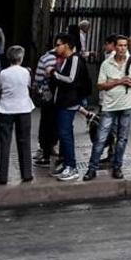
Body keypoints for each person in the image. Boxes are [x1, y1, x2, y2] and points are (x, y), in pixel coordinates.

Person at [85, 36, 131, 181]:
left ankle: (117, 167)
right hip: (109, 106)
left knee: (122, 138)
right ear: (115, 47)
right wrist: (119, 81)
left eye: (125, 46)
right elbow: (100, 85)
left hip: (127, 105)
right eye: (120, 45)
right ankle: (92, 168)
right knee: (101, 138)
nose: (122, 48)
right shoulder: (106, 64)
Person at [47, 34, 88, 181]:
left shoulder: (75, 59)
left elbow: (71, 80)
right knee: (64, 134)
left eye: (59, 44)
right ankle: (66, 163)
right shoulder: (66, 60)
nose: (56, 47)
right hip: (62, 102)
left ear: (67, 45)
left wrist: (53, 73)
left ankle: (71, 166)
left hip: (68, 102)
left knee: (65, 134)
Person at [0, 46, 35, 185]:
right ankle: (26, 173)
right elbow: (28, 86)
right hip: (24, 108)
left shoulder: (1, 73)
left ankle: (3, 174)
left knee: (5, 142)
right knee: (24, 141)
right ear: (21, 58)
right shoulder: (26, 72)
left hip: (6, 109)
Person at [32, 48, 59, 168]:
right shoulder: (67, 58)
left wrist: (37, 89)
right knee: (56, 123)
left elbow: (38, 79)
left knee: (45, 123)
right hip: (60, 97)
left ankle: (44, 150)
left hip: (47, 96)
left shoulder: (45, 58)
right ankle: (53, 146)